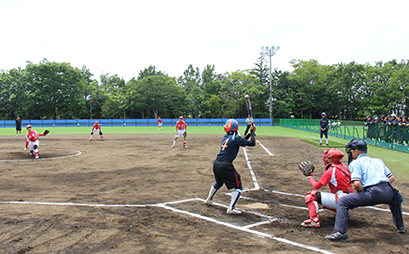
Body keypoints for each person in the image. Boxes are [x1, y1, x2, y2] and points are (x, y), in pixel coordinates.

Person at [325, 139, 405, 242]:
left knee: (342, 201)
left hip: (372, 193)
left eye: (352, 151)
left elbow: (357, 184)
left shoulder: (355, 163)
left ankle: (341, 233)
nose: (351, 153)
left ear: (357, 151)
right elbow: (392, 178)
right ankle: (400, 227)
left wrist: (362, 194)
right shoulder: (378, 161)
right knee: (396, 199)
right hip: (388, 191)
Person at [204, 119, 256, 214]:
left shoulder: (226, 137)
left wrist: (249, 133)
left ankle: (209, 199)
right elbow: (252, 143)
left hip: (216, 163)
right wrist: (252, 132)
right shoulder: (235, 138)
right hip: (225, 165)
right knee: (238, 186)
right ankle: (231, 208)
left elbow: (242, 140)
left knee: (219, 182)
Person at [301, 148, 353, 228]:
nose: (325, 159)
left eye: (327, 157)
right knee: (327, 199)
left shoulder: (331, 170)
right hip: (350, 200)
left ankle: (314, 221)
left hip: (340, 200)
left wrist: (309, 176)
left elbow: (316, 186)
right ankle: (343, 213)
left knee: (311, 196)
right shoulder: (344, 167)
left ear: (331, 159)